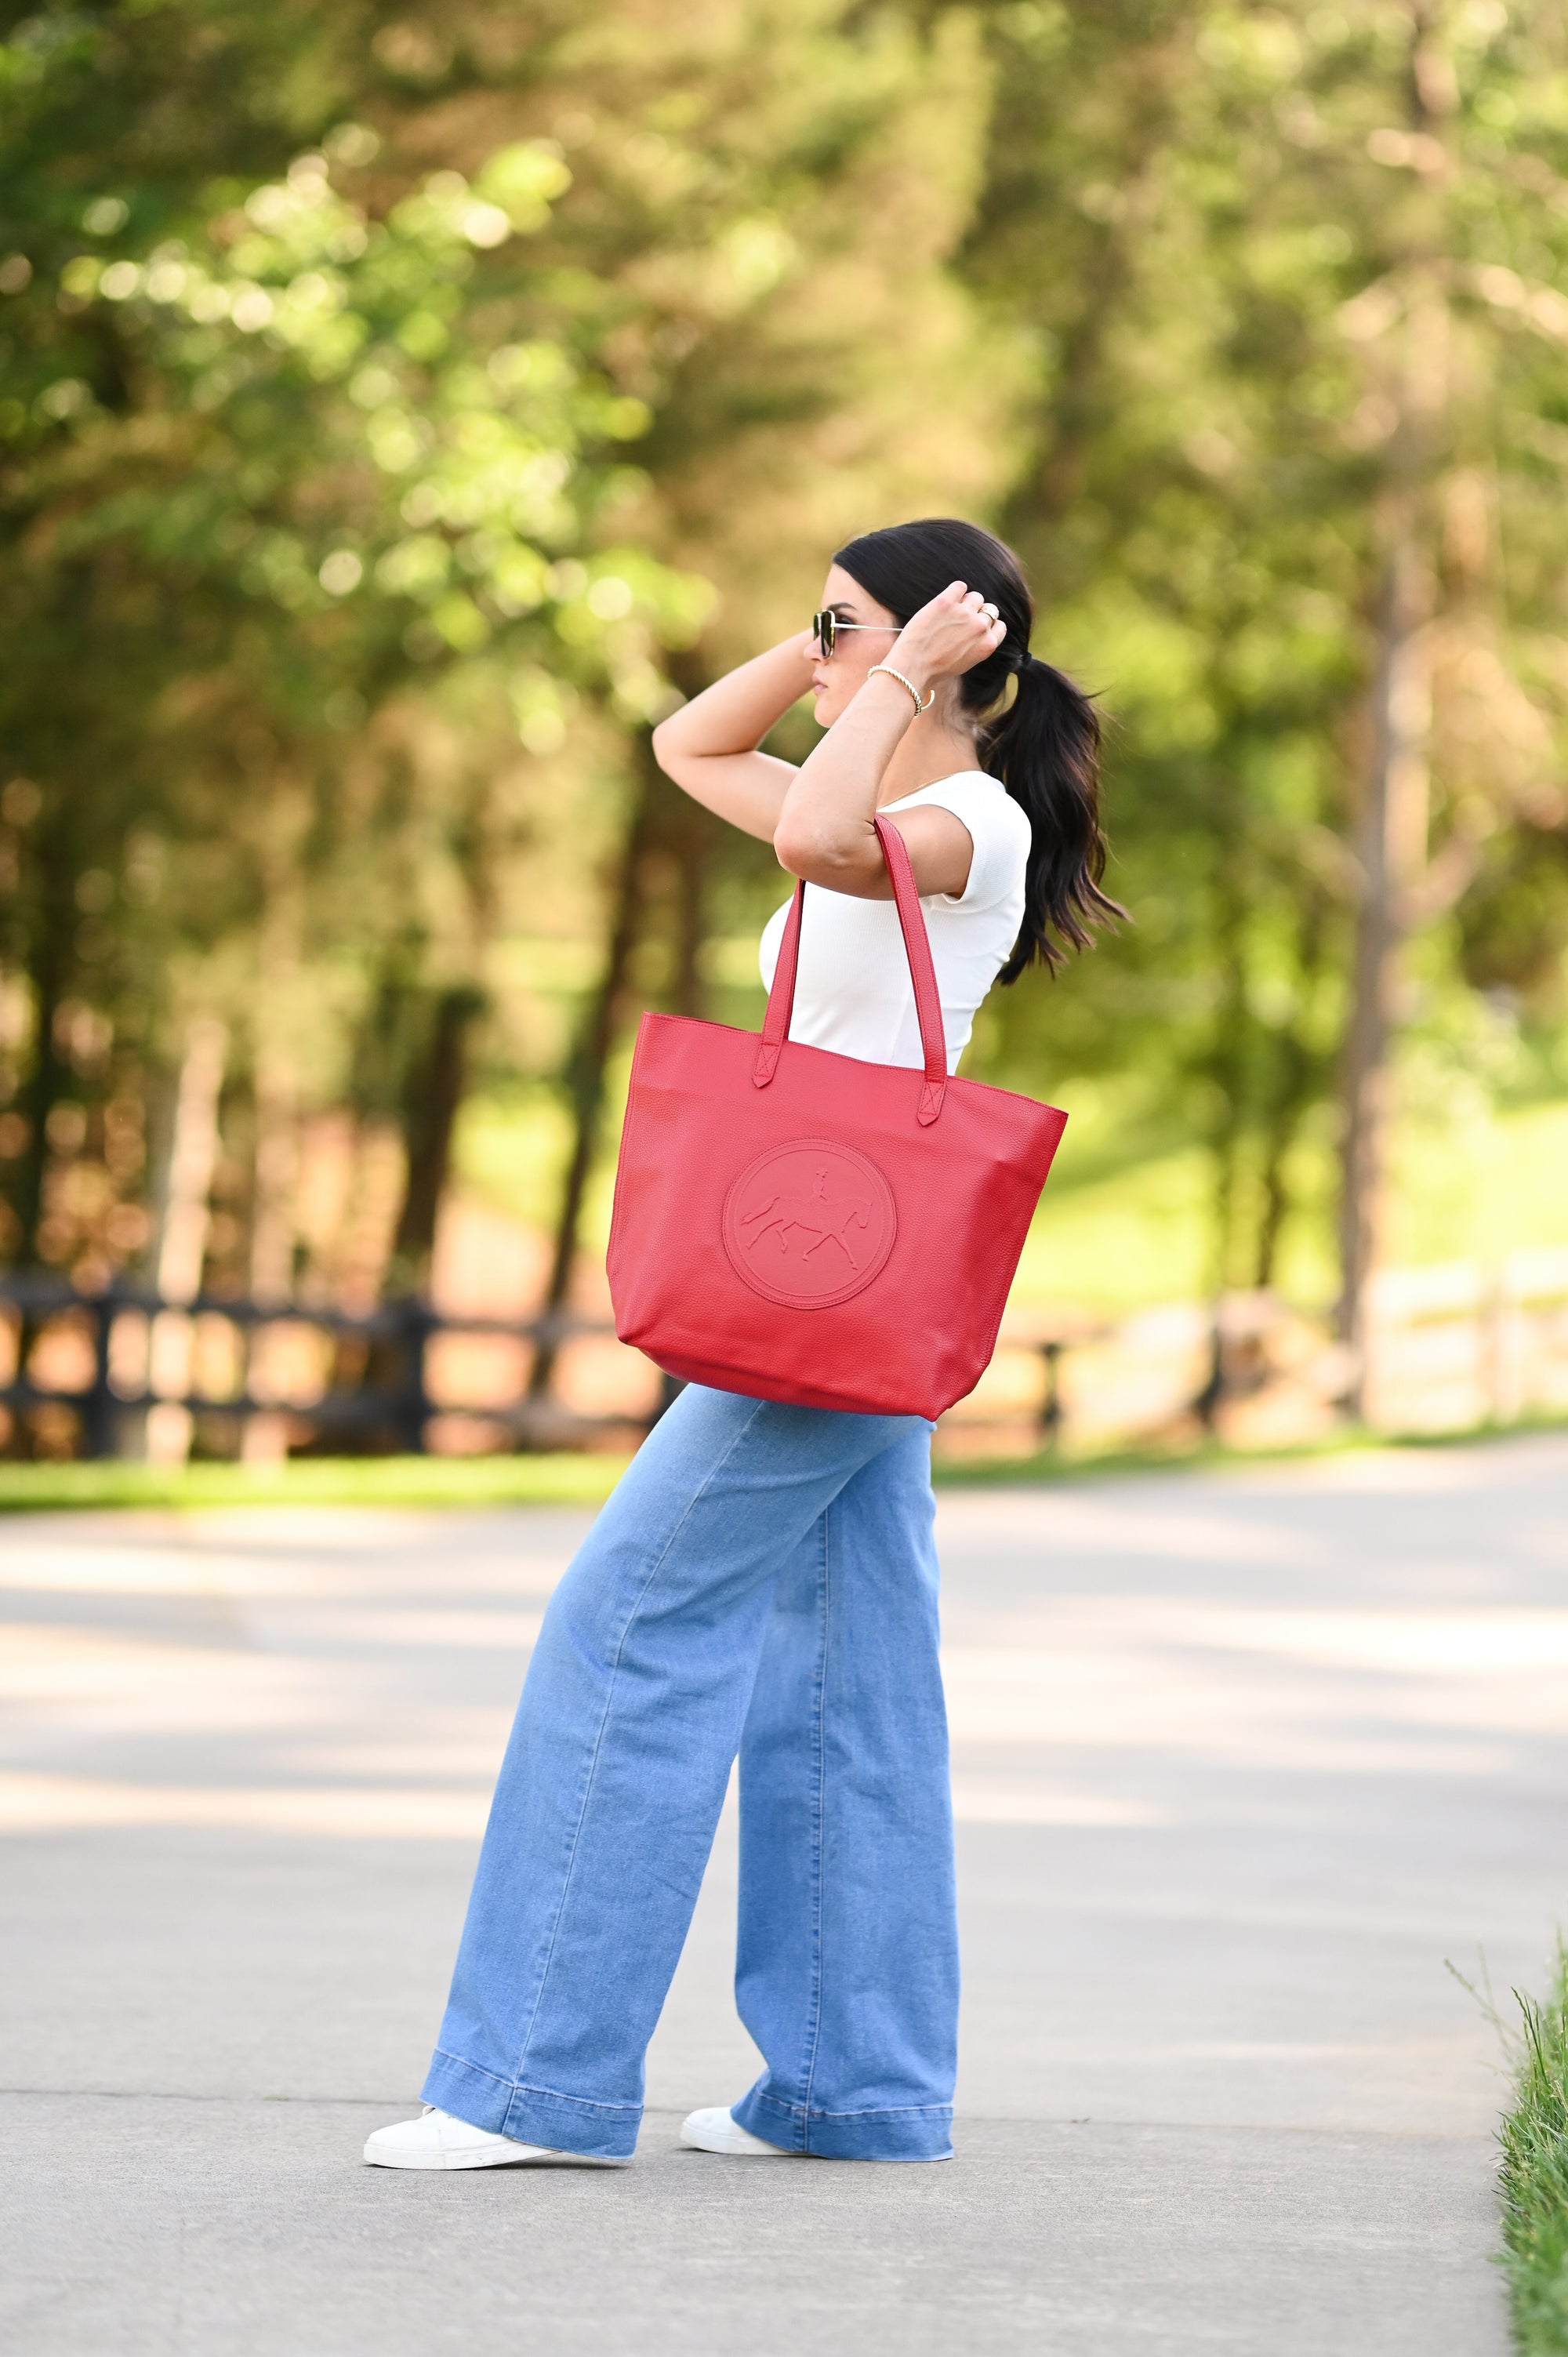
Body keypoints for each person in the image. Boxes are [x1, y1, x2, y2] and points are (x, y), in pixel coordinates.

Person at [364, 516, 1118, 2172]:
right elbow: (686, 743)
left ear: (948, 650)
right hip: (830, 1278)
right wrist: (831, 647)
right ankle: (854, 2090)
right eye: (820, 623)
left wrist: (901, 667)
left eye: (840, 624)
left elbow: (822, 835)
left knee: (624, 1624)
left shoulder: (964, 819)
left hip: (831, 1287)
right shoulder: (879, 769)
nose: (822, 649)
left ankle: (535, 2084)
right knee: (848, 1681)